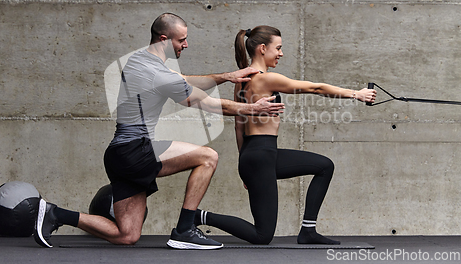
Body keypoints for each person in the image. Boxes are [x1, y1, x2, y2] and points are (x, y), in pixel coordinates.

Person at [33, 14, 284, 250]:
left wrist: (227, 76)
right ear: (164, 39)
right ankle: (185, 229)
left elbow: (184, 79)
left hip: (119, 155)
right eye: (181, 39)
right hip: (136, 150)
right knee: (208, 157)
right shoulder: (156, 71)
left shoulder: (141, 60)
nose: (186, 45)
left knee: (127, 235)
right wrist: (251, 108)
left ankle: (56, 214)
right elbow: (205, 103)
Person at [194, 26, 376, 245]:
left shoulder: (242, 80)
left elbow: (238, 127)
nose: (281, 53)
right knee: (262, 235)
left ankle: (308, 231)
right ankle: (198, 216)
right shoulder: (263, 79)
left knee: (324, 166)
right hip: (261, 157)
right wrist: (356, 94)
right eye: (278, 48)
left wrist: (244, 164)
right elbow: (314, 88)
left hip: (259, 155)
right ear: (262, 48)